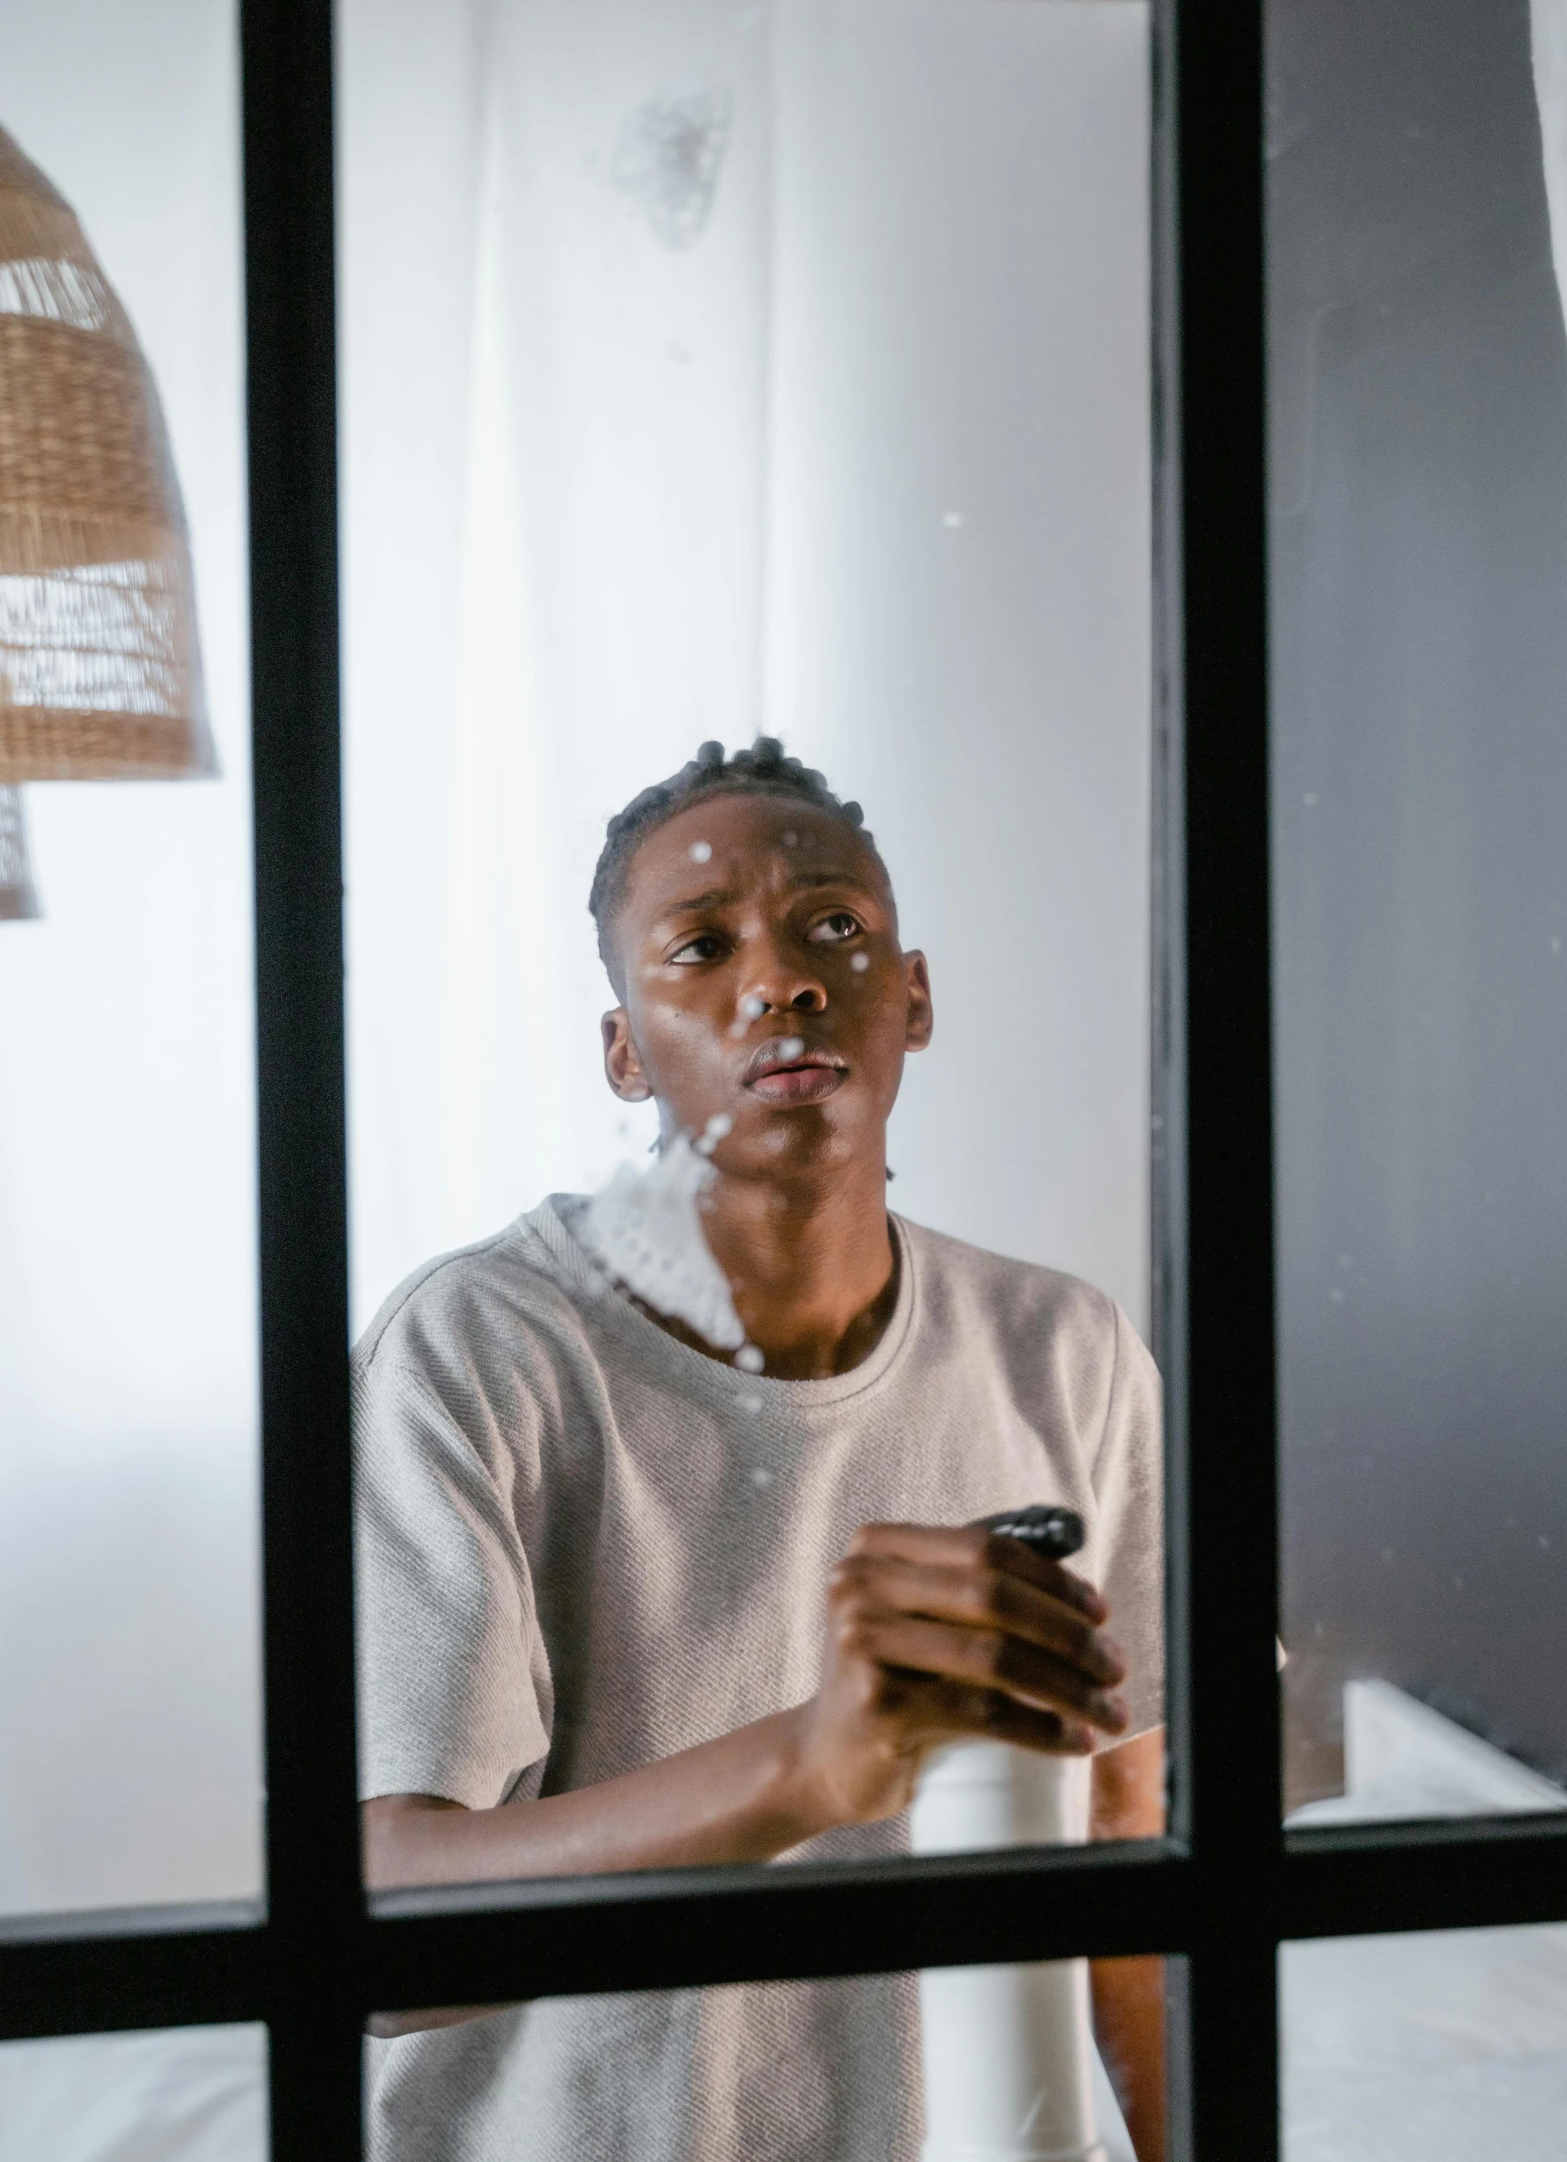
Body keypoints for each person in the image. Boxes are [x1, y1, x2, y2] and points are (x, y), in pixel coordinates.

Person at [357, 736, 1167, 2162]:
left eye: (833, 928)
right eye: (698, 945)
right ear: (622, 1049)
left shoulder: (1063, 1345)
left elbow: (1127, 1838)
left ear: (912, 996)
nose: (779, 978)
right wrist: (809, 1758)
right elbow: (381, 1932)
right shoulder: (480, 1344)